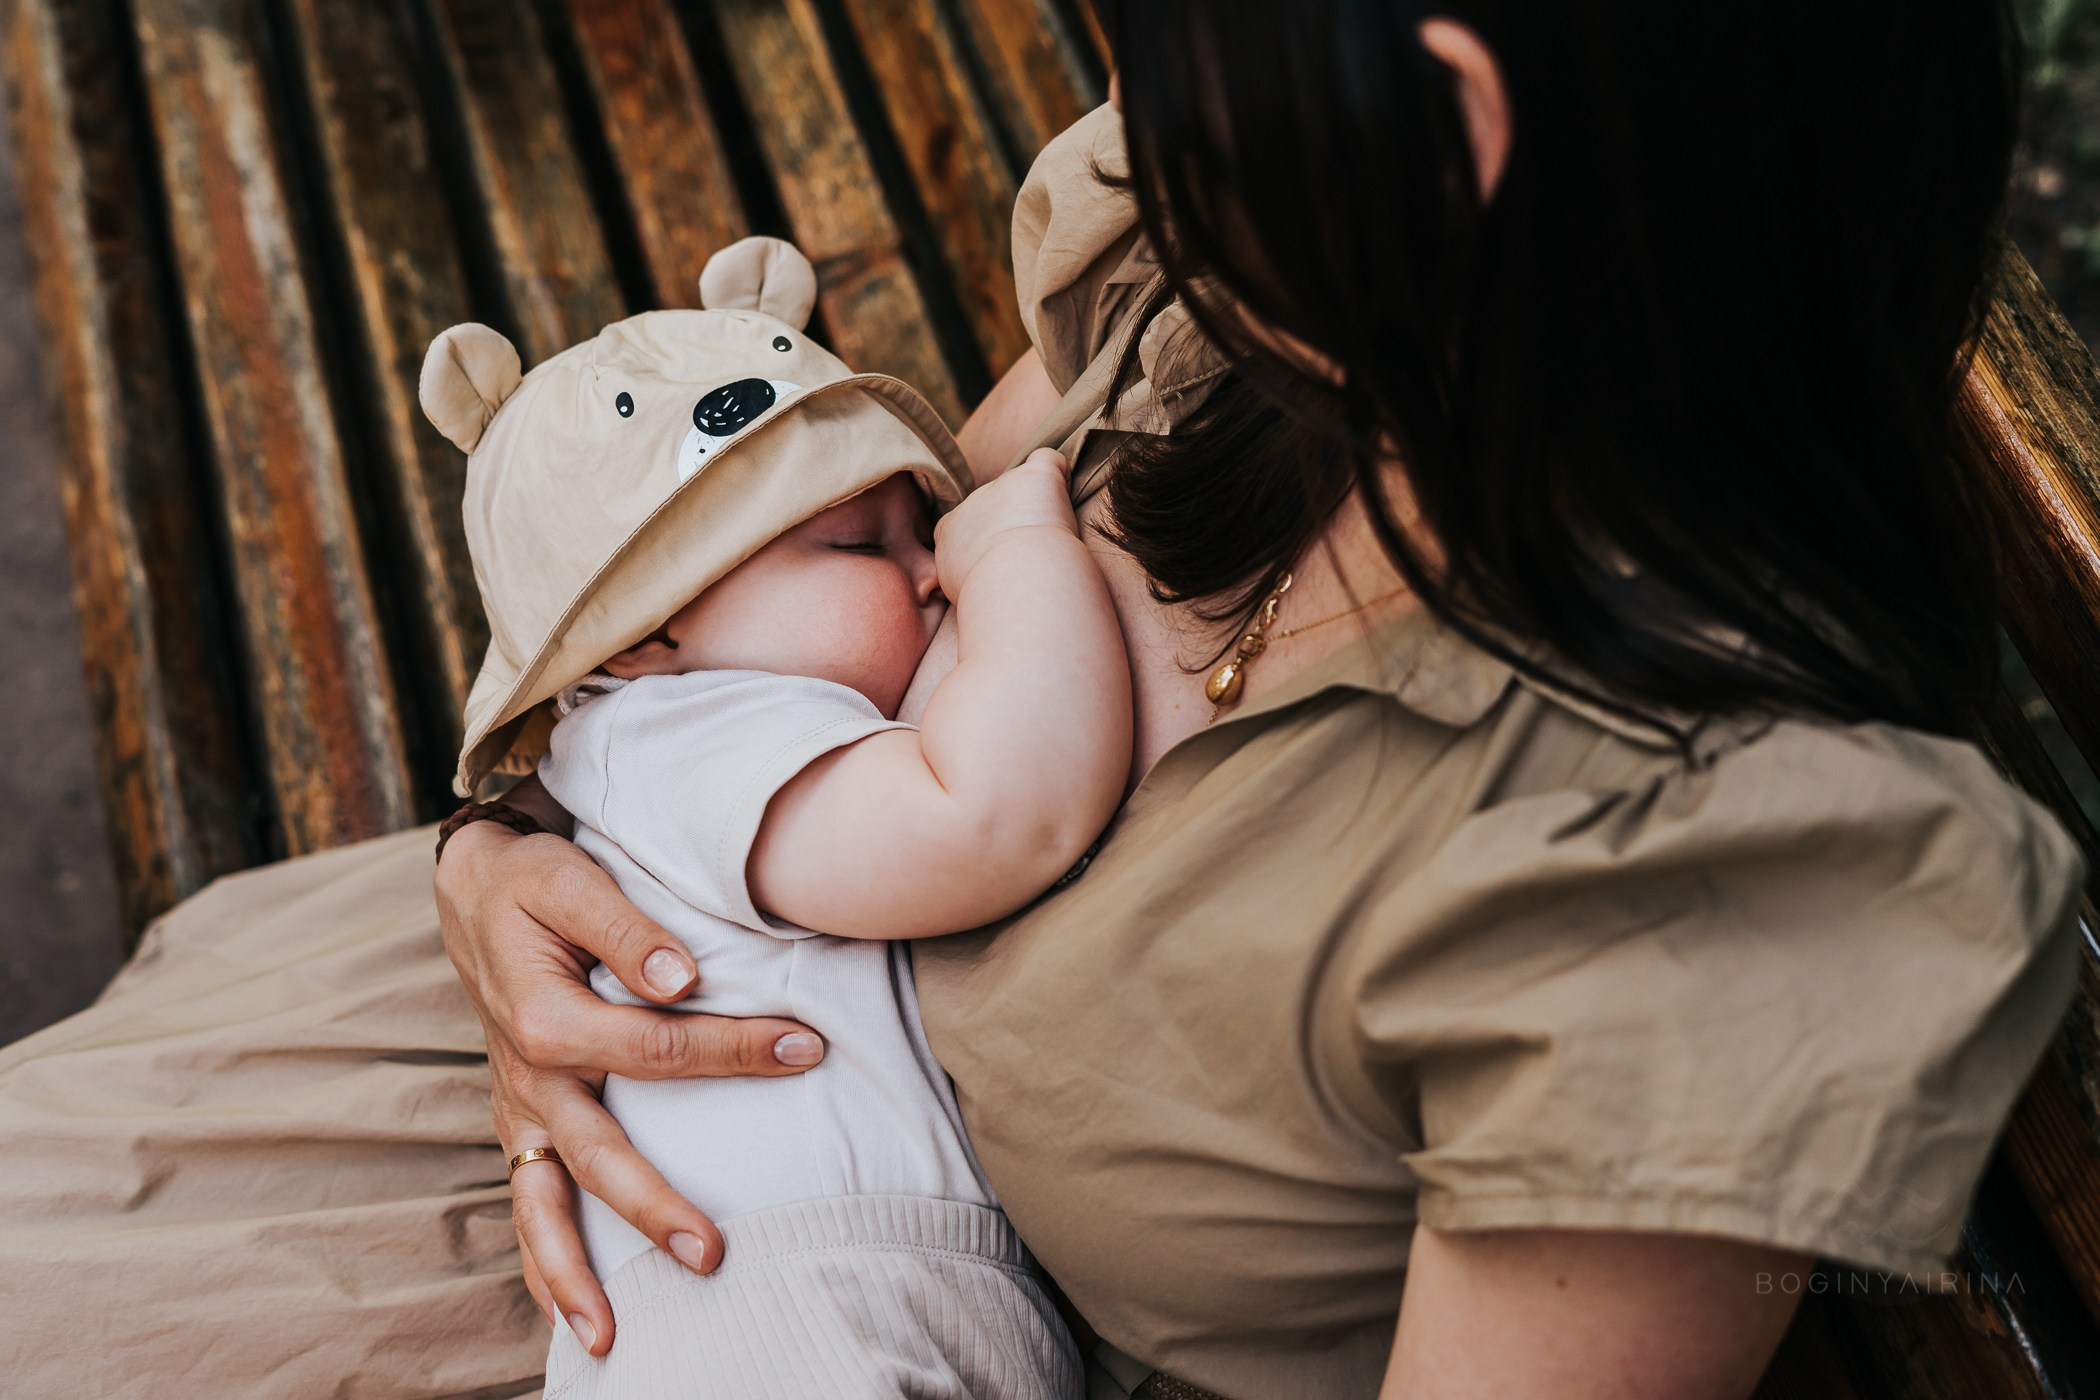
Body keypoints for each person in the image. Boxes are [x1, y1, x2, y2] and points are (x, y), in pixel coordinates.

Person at [0, 4, 2083, 1398]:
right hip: (617, 1021)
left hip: (822, 1310)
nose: (1149, 112)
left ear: (1451, 131)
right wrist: (505, 860)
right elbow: (819, 575)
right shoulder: (1306, 312)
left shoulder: (1689, 888)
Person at [417, 237, 1120, 1397]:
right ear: (643, 636)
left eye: (925, 525)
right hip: (787, 1305)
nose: (933, 564)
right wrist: (1019, 544)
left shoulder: (677, 719)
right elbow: (997, 819)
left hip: (837, 1288)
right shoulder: (697, 733)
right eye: (859, 544)